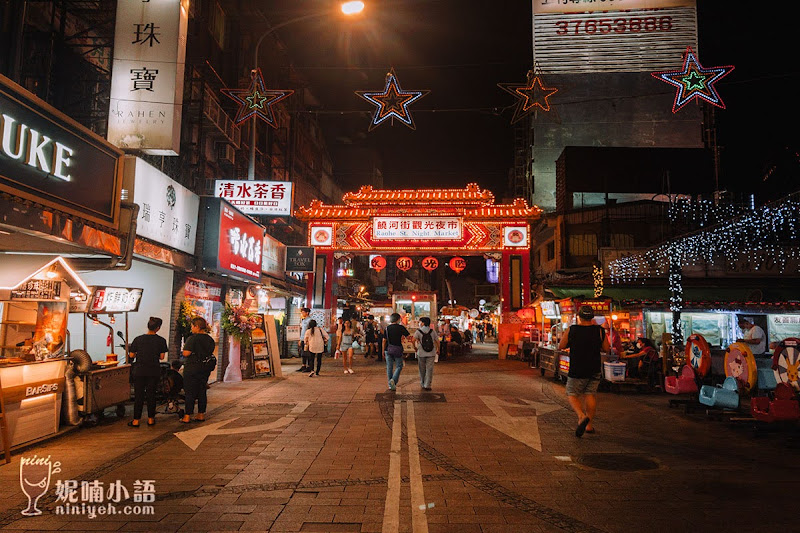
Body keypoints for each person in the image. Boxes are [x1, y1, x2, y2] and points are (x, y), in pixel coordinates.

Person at [559, 306, 610, 437]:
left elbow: (562, 345)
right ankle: (589, 426)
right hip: (594, 367)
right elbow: (606, 348)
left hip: (577, 367)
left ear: (579, 317)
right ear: (592, 317)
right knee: (590, 394)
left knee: (571, 393)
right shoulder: (600, 331)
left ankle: (581, 416)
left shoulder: (573, 329)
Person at [127, 317, 168, 427]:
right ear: (158, 328)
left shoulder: (138, 339)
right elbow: (162, 357)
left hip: (139, 370)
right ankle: (151, 419)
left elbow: (131, 355)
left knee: (138, 396)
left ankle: (136, 420)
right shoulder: (161, 340)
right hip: (153, 370)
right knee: (151, 395)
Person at [180, 317, 216, 423]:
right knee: (201, 390)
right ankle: (201, 414)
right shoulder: (210, 339)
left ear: (197, 326)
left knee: (190, 391)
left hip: (192, 367)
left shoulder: (193, 338)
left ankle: (187, 416)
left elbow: (186, 353)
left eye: (192, 326)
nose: (191, 328)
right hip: (205, 368)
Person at [384, 313, 410, 391]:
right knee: (399, 365)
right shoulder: (401, 327)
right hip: (398, 348)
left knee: (389, 367)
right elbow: (408, 336)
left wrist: (383, 350)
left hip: (388, 349)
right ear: (398, 319)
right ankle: (393, 380)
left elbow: (384, 340)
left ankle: (390, 384)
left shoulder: (387, 328)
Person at [413, 317, 439, 390]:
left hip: (421, 352)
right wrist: (438, 349)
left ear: (423, 323)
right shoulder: (433, 331)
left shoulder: (418, 331)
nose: (419, 323)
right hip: (431, 353)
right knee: (429, 369)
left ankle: (422, 383)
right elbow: (437, 341)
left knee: (422, 369)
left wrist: (415, 348)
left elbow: (413, 340)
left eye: (420, 322)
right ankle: (427, 385)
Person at [298, 307, 312, 372]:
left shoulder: (310, 320)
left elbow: (310, 331)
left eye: (303, 312)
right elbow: (302, 330)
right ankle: (303, 365)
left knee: (308, 353)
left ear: (307, 313)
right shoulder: (303, 320)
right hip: (302, 338)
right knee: (303, 353)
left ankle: (309, 366)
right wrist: (300, 339)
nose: (302, 313)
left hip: (308, 339)